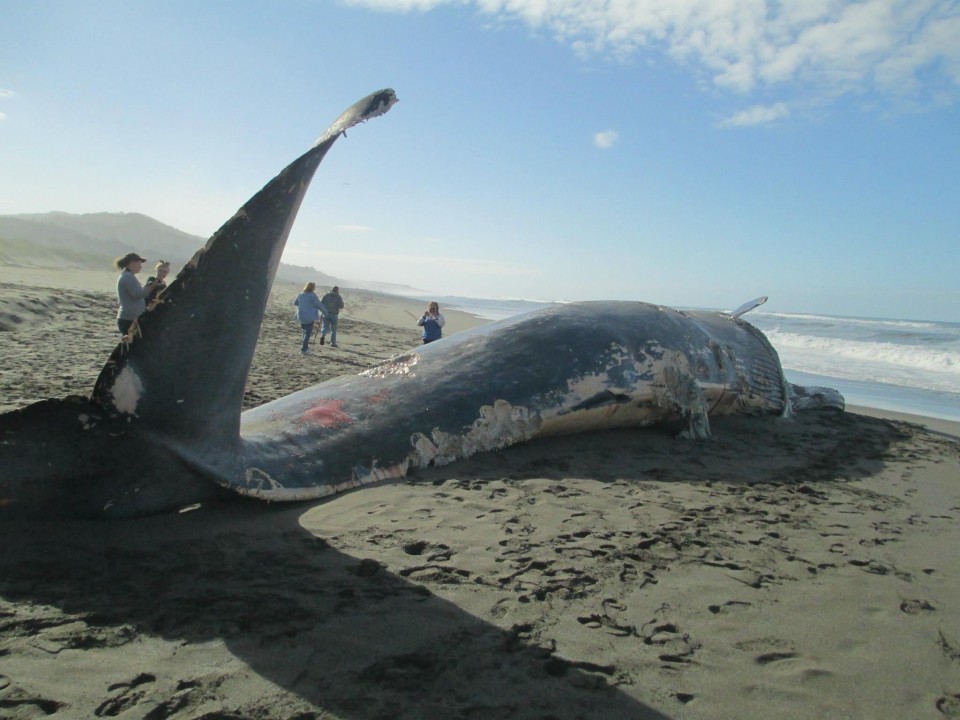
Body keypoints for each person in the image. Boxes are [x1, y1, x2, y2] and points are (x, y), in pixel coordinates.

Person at [115, 252, 164, 335]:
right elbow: (138, 295)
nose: (140, 266)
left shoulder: (128, 276)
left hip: (131, 317)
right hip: (129, 318)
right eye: (139, 263)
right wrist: (152, 286)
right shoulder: (128, 277)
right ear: (132, 263)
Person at [293, 282, 324, 354]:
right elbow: (319, 305)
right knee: (308, 333)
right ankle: (303, 349)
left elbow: (295, 303)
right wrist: (325, 312)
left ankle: (305, 348)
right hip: (309, 317)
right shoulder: (313, 296)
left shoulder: (301, 294)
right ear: (313, 288)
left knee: (305, 332)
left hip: (301, 316)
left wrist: (303, 303)